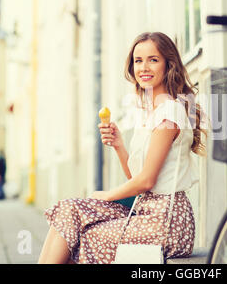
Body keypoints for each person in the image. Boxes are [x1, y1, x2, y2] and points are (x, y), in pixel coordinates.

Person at [39, 32, 208, 264]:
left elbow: (147, 182)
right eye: (138, 61)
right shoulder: (151, 112)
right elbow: (139, 179)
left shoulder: (169, 112)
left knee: (88, 235)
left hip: (166, 222)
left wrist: (108, 195)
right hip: (144, 209)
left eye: (153, 60)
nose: (144, 67)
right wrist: (119, 146)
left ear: (169, 65)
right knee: (70, 210)